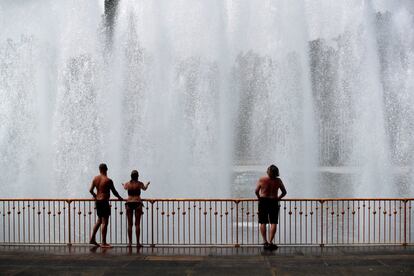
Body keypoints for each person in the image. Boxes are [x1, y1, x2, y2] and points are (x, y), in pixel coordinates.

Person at [89, 163, 123, 248]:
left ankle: (92, 238)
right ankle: (103, 242)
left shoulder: (95, 179)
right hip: (104, 201)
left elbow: (90, 190)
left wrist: (95, 196)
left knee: (99, 220)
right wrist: (120, 198)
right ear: (106, 169)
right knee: (104, 222)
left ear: (99, 169)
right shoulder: (108, 180)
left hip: (98, 201)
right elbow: (114, 192)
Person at [255, 164, 287, 250]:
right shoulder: (278, 181)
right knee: (273, 222)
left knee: (263, 222)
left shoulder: (262, 179)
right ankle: (270, 242)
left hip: (263, 201)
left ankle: (265, 241)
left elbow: (256, 191)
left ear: (269, 171)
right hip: (273, 201)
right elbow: (284, 192)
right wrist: (278, 198)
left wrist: (259, 198)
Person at [122, 170, 150, 247]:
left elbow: (124, 187)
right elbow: (144, 188)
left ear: (131, 176)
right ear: (137, 176)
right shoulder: (140, 184)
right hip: (138, 203)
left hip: (129, 203)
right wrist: (147, 184)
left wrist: (123, 184)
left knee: (129, 224)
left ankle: (130, 243)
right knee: (137, 224)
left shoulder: (127, 184)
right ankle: (137, 243)